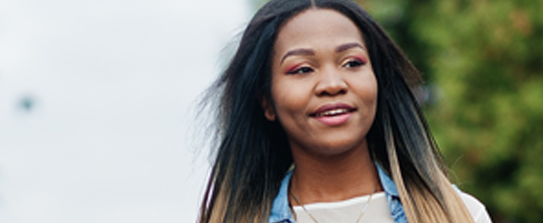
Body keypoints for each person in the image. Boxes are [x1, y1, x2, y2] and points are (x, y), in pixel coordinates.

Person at [199, 0, 491, 222]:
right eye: (302, 69)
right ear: (267, 102)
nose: (332, 84)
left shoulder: (457, 214)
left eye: (352, 63)